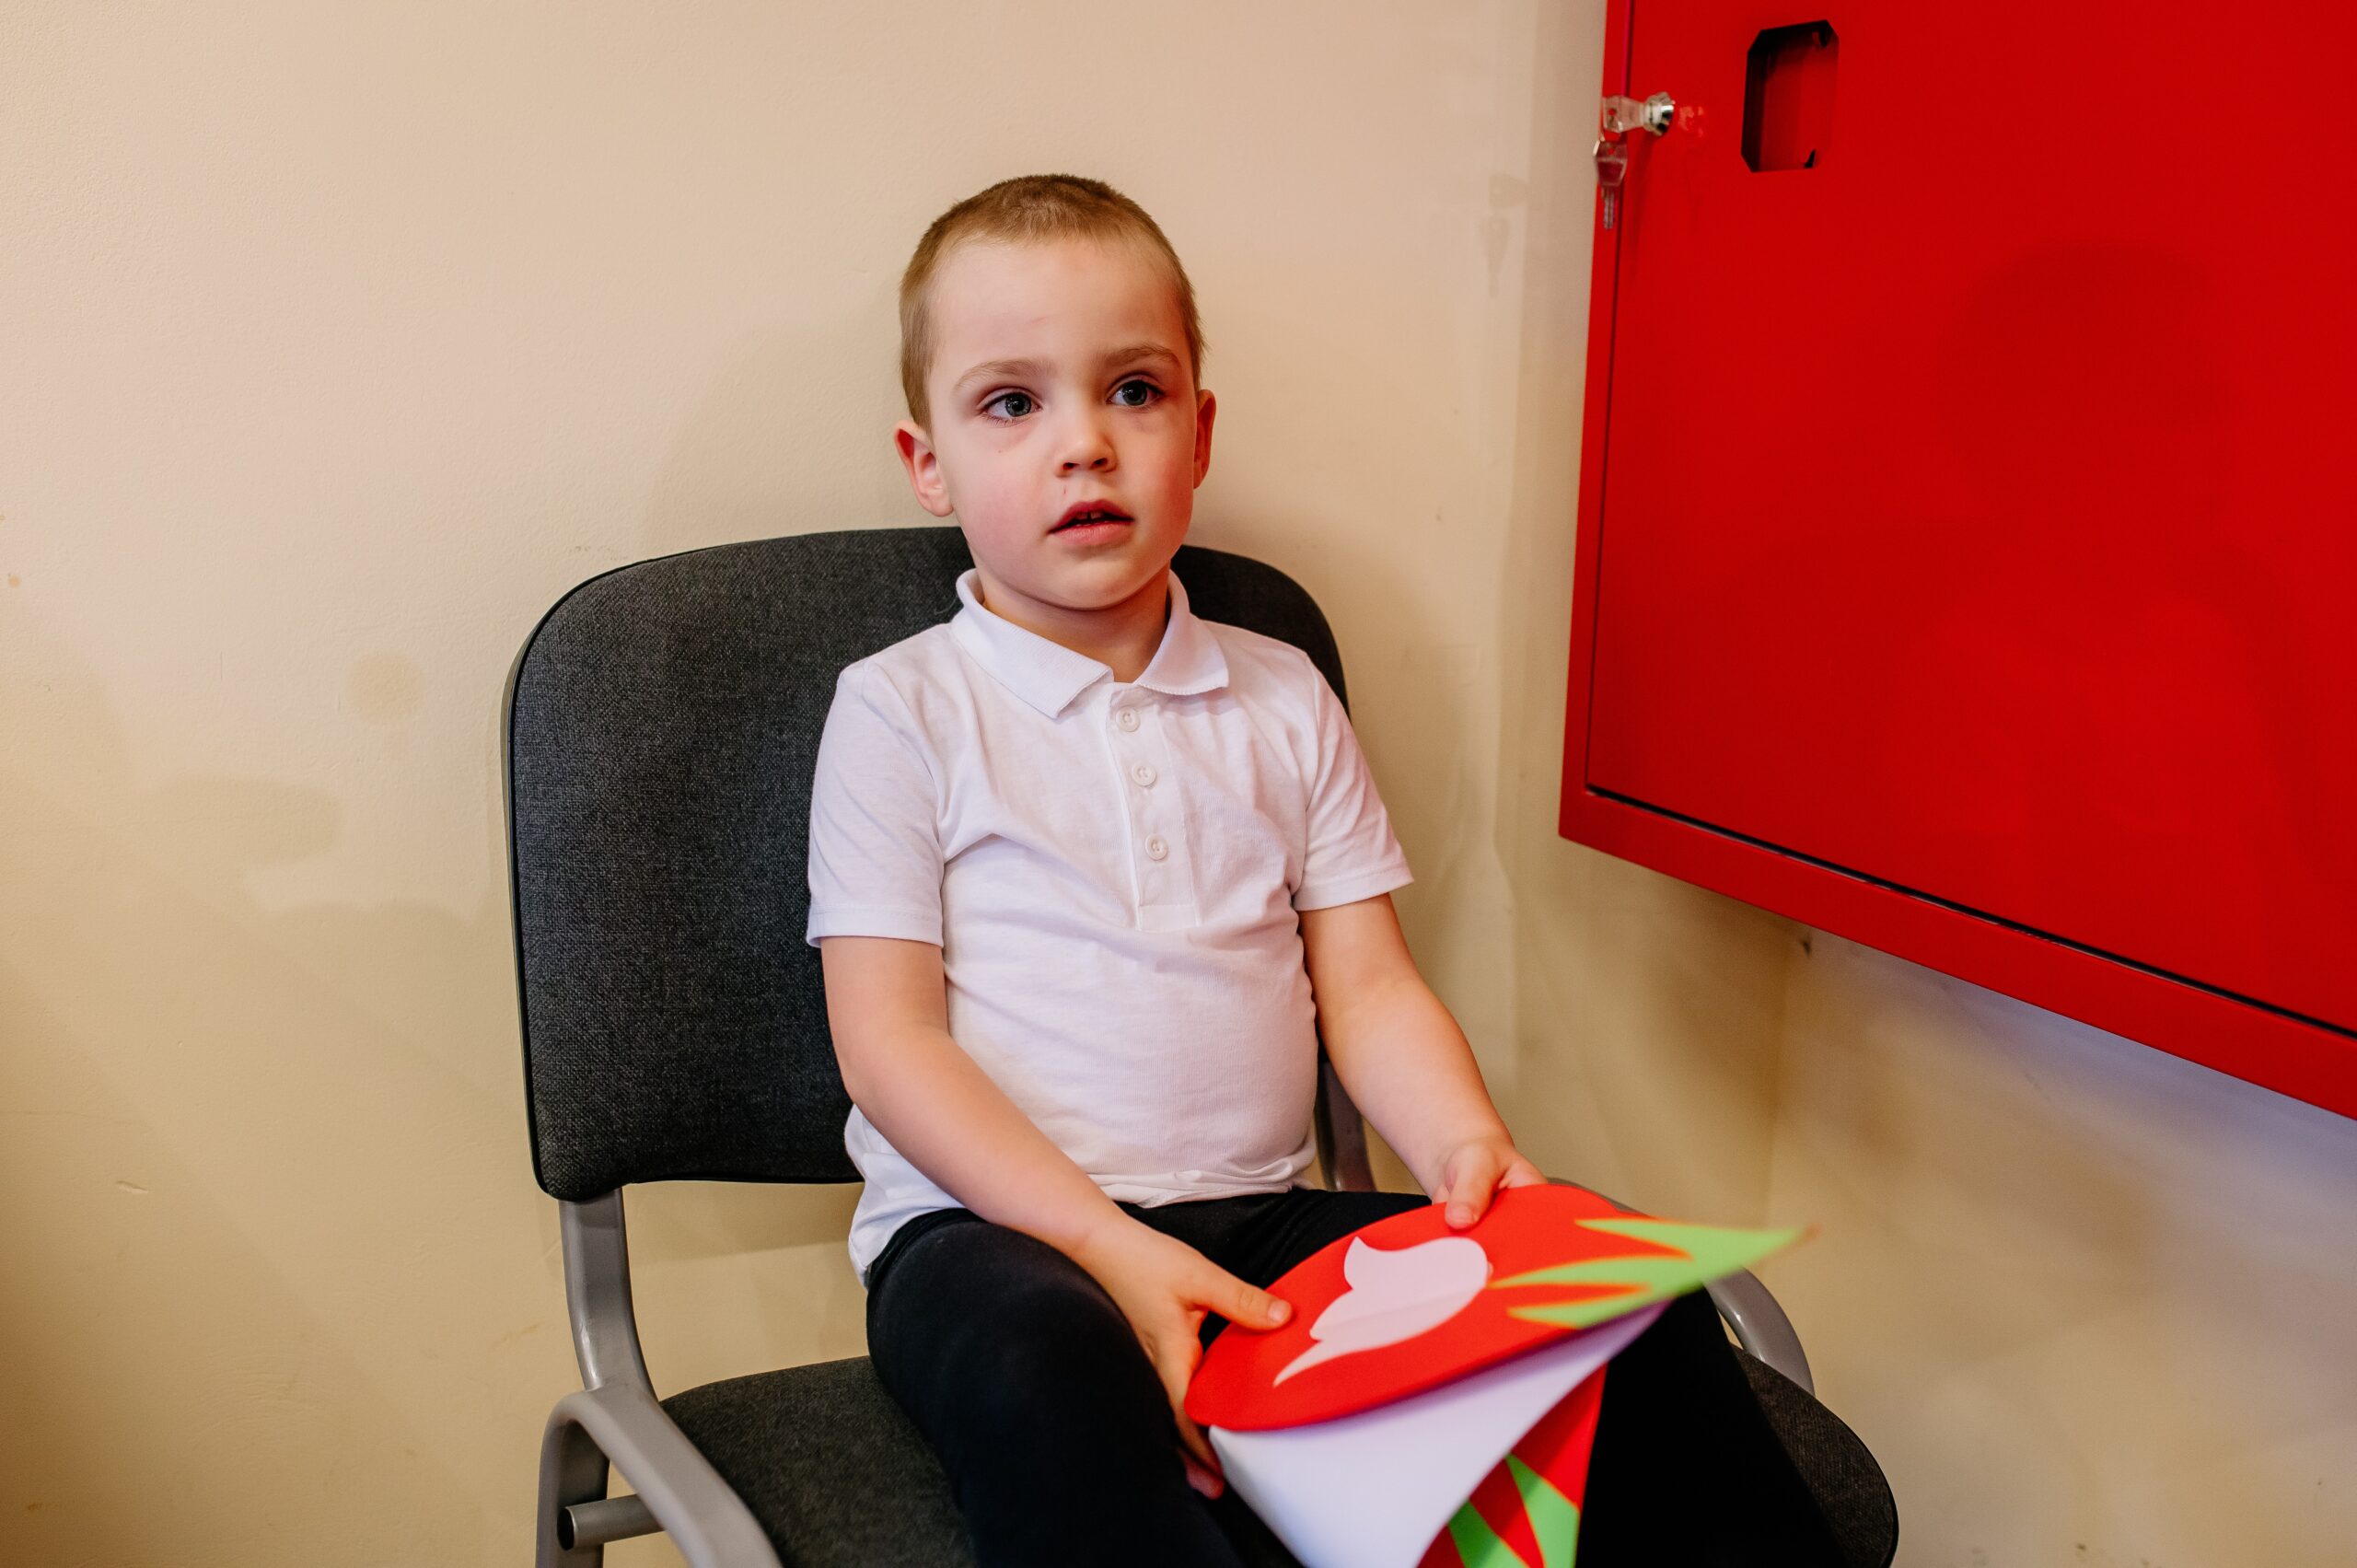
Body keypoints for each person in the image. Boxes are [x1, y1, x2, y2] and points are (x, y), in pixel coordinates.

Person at [807, 173, 1847, 1567]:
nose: (1084, 446)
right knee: (1046, 1381)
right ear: (926, 460)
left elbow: (1368, 991)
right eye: (1011, 403)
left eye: (1134, 391)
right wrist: (1110, 1247)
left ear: (1200, 432)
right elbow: (889, 1050)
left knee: (1619, 1301)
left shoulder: (1283, 694)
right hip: (991, 1242)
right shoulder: (900, 709)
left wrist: (1471, 1152)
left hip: (1267, 1223)